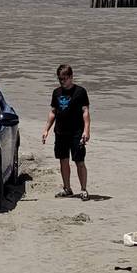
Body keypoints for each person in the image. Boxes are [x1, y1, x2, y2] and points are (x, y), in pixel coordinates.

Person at [42, 63, 91, 200]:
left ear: (71, 77)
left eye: (64, 78)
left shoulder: (80, 92)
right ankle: (67, 188)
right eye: (60, 79)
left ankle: (83, 189)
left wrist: (86, 131)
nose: (62, 81)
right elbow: (53, 112)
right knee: (63, 160)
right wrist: (46, 129)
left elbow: (85, 112)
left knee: (79, 161)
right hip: (61, 132)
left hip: (77, 132)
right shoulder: (56, 93)